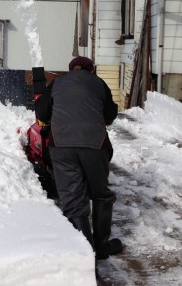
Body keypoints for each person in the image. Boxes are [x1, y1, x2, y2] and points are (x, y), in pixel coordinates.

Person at [34, 56, 123, 260]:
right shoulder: (99, 83)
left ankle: (84, 254)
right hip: (95, 145)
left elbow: (41, 110)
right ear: (91, 70)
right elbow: (109, 115)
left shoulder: (58, 82)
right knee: (101, 194)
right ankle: (101, 246)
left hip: (62, 146)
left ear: (71, 70)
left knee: (73, 200)